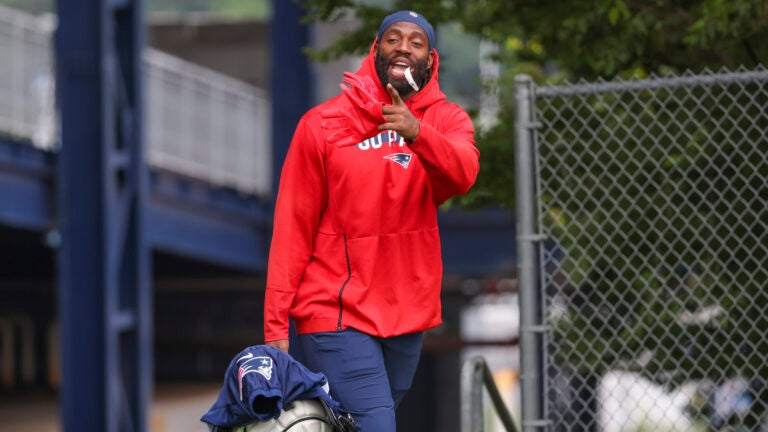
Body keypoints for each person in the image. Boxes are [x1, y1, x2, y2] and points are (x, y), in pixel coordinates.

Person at [263, 9, 479, 431]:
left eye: (416, 42)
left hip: (407, 314)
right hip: (335, 311)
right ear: (375, 50)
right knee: (376, 425)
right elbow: (292, 229)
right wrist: (275, 323)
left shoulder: (446, 120)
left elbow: (462, 175)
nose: (403, 47)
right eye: (392, 38)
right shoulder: (322, 124)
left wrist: (417, 132)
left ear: (431, 60)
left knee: (358, 424)